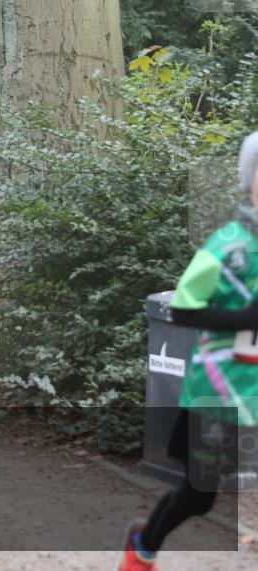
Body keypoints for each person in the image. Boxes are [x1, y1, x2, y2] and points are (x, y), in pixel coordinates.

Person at [116, 132, 258, 571]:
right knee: (199, 495)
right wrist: (245, 318)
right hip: (221, 389)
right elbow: (181, 308)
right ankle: (143, 546)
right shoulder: (229, 247)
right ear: (249, 180)